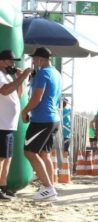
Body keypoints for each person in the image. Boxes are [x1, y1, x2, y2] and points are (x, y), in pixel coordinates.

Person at [21, 47, 61, 201]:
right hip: (53, 119)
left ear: (41, 59)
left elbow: (37, 98)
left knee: (30, 152)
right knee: (44, 154)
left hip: (42, 119)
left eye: (34, 58)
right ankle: (49, 186)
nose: (32, 61)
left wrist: (24, 111)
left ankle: (48, 188)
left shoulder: (43, 73)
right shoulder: (56, 73)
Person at [0, 50, 32, 200]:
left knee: (7, 158)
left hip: (8, 125)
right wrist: (23, 76)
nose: (13, 64)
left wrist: (21, 79)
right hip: (1, 124)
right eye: (10, 61)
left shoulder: (7, 76)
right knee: (1, 158)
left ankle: (3, 187)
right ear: (2, 61)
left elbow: (17, 95)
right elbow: (5, 91)